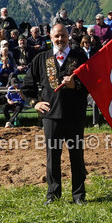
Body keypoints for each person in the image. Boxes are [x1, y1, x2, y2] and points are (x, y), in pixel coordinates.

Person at [22, 23, 91, 206]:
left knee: (77, 157)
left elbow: (91, 85)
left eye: (63, 36)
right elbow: (26, 87)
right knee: (52, 157)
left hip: (75, 116)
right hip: (51, 118)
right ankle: (53, 195)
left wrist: (74, 85)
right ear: (50, 38)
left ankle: (78, 196)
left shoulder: (80, 57)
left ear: (69, 37)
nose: (60, 39)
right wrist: (34, 103)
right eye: (56, 36)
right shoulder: (41, 58)